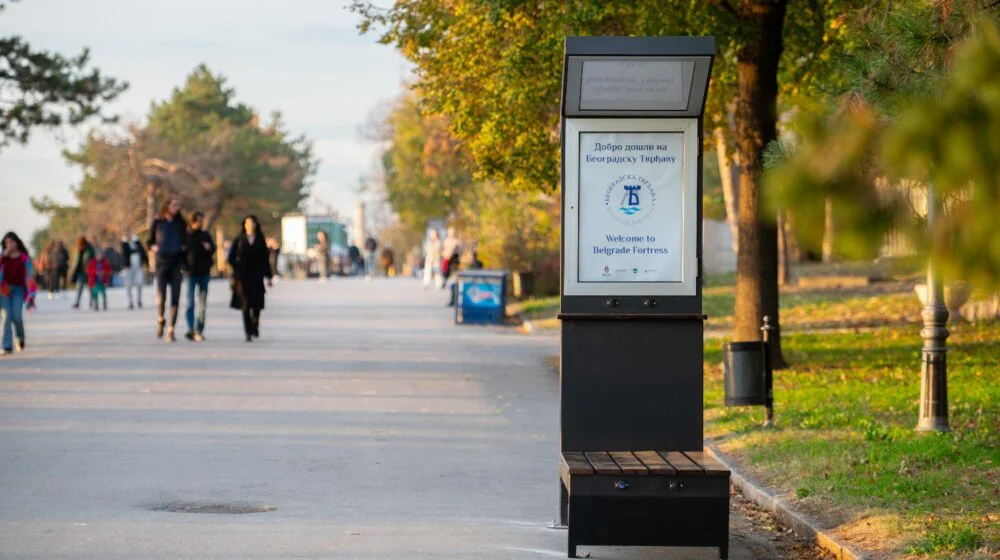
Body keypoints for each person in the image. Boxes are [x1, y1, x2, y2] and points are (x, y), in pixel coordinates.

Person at [148, 198, 188, 342]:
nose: (176, 208)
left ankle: (171, 329)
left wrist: (183, 249)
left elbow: (186, 241)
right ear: (167, 206)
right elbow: (149, 241)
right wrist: (154, 248)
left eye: (178, 205)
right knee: (162, 296)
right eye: (174, 205)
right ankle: (160, 319)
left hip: (176, 263)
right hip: (162, 263)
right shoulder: (158, 222)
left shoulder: (180, 223)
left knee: (175, 298)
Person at [228, 215, 272, 343]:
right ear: (244, 225)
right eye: (248, 223)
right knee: (245, 304)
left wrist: (268, 276)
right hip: (243, 276)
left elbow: (265, 259)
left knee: (257, 303)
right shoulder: (239, 239)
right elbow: (230, 258)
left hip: (257, 275)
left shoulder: (260, 239)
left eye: (252, 223)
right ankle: (248, 331)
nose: (250, 225)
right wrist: (237, 267)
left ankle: (255, 323)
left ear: (256, 225)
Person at [0, 232, 36, 355]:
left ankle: (20, 337)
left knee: (16, 316)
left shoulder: (23, 258)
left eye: (11, 242)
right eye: (7, 243)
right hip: (4, 290)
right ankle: (7, 345)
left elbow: (30, 275)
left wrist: (31, 292)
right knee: (6, 317)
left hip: (18, 290)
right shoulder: (2, 258)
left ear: (17, 242)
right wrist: (4, 255)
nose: (9, 245)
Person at [184, 211, 215, 342]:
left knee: (202, 304)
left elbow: (213, 249)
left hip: (204, 273)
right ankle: (191, 329)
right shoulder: (187, 236)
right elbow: (182, 253)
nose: (200, 223)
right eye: (198, 221)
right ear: (192, 222)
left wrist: (209, 248)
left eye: (202, 221)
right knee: (190, 302)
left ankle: (199, 329)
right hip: (190, 273)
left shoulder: (205, 235)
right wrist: (184, 267)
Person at [121, 233, 148, 310]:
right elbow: (124, 254)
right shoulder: (124, 243)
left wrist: (147, 263)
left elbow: (143, 252)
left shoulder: (137, 242)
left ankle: (139, 300)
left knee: (139, 283)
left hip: (138, 266)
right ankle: (130, 302)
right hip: (128, 267)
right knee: (128, 285)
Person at [71, 236, 96, 310]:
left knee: (90, 288)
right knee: (79, 288)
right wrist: (73, 271)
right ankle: (77, 302)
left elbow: (93, 260)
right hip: (80, 272)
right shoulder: (78, 249)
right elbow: (75, 261)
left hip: (88, 271)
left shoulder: (90, 249)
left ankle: (92, 302)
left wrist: (92, 269)